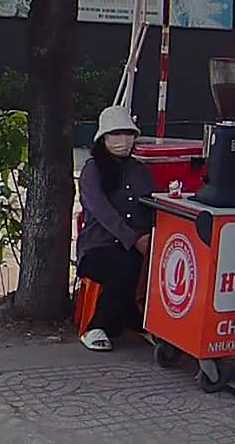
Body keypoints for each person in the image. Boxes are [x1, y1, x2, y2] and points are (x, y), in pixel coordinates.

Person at [76, 106, 156, 352]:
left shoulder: (139, 170)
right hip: (98, 248)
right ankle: (97, 326)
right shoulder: (92, 171)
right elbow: (104, 213)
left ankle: (139, 321)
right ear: (103, 138)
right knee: (126, 267)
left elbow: (150, 204)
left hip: (136, 246)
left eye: (128, 134)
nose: (124, 140)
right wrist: (135, 239)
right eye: (116, 134)